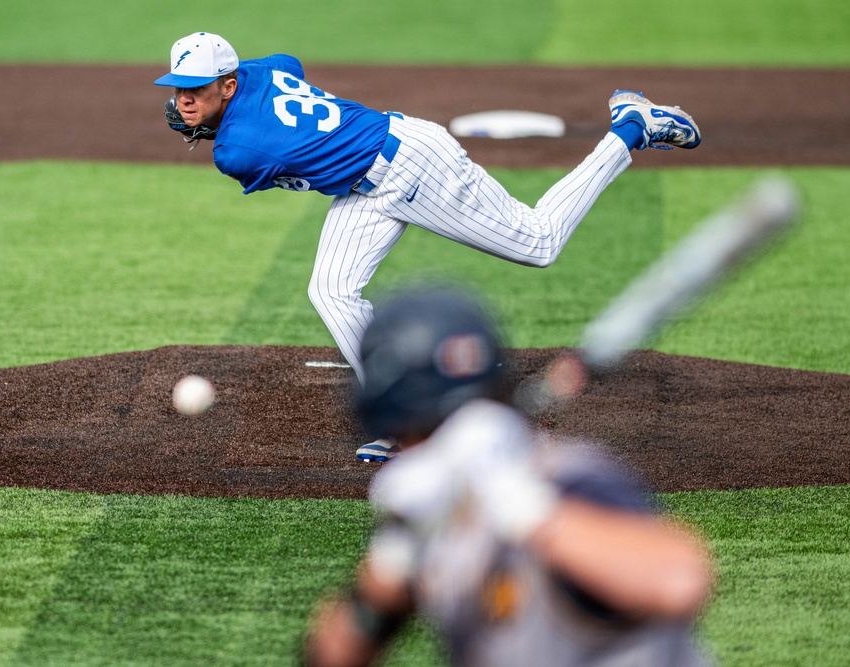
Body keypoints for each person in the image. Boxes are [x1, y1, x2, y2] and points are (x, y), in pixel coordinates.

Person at [153, 31, 703, 462]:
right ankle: (401, 417)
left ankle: (630, 128)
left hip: (412, 168)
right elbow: (287, 63)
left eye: (195, 89)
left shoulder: (238, 152)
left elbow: (263, 144)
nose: (183, 101)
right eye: (178, 89)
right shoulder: (259, 72)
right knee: (331, 290)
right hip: (368, 181)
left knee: (538, 242)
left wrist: (221, 126)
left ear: (228, 86)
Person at [300, 285, 717, 667]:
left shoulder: (571, 477)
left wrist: (520, 503)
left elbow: (679, 581)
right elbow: (331, 658)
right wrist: (393, 557)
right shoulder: (431, 512)